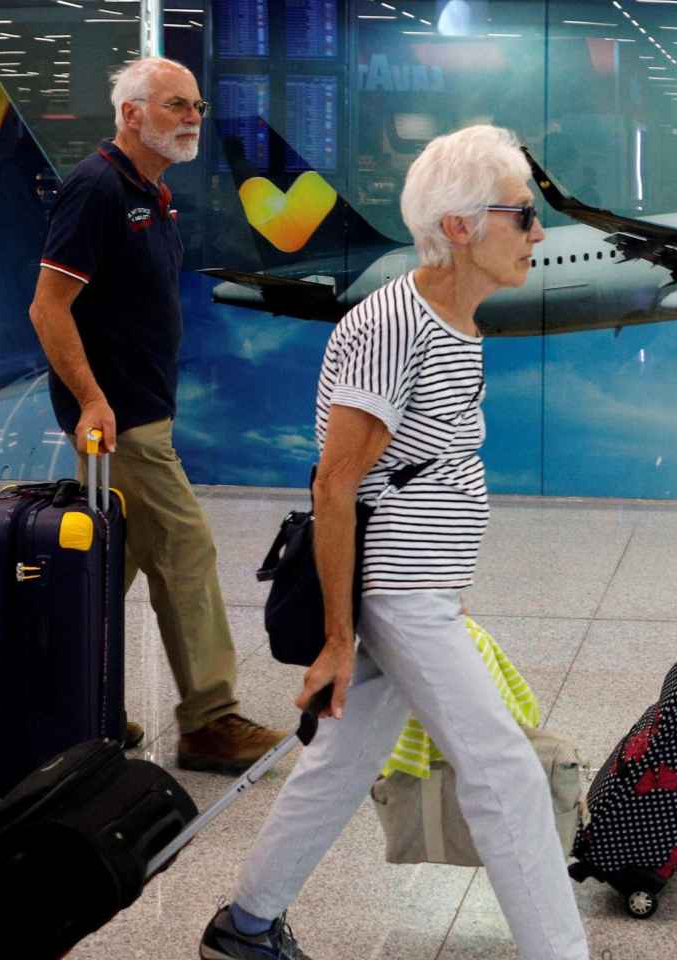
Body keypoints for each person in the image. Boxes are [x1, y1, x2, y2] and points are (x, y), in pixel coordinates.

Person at [198, 124, 589, 960]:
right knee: (505, 772)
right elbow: (336, 483)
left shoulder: (456, 321)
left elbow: (420, 467)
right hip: (396, 594)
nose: (538, 232)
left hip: (420, 588)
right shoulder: (392, 325)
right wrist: (341, 638)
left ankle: (247, 925)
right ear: (459, 226)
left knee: (342, 764)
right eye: (522, 215)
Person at [28, 57, 288, 773]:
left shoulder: (151, 193)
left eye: (197, 105)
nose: (193, 117)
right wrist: (89, 399)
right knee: (188, 545)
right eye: (177, 105)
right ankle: (209, 721)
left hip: (141, 411)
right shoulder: (96, 190)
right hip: (118, 421)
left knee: (116, 567)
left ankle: (65, 704)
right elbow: (49, 308)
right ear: (131, 114)